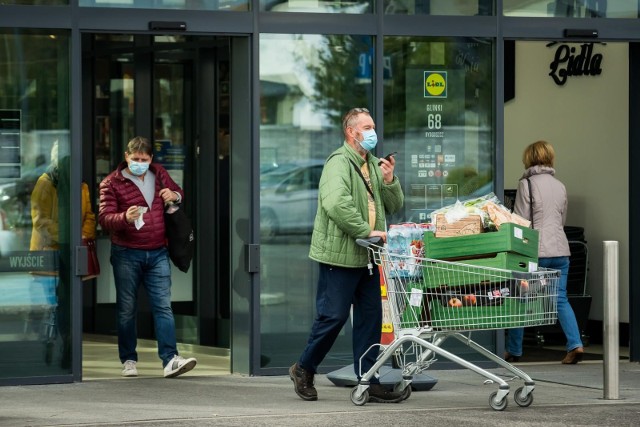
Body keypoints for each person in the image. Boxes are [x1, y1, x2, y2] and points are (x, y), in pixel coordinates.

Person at [289, 108, 404, 403]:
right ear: (351, 132)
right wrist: (367, 230)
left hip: (368, 257)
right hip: (339, 257)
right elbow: (336, 203)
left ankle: (369, 379)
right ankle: (303, 368)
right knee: (333, 317)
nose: (372, 132)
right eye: (366, 127)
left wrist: (390, 180)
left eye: (373, 126)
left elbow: (394, 205)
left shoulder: (373, 165)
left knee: (370, 320)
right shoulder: (338, 163)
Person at [98, 136, 197, 378]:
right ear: (126, 157)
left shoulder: (159, 173)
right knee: (127, 309)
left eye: (144, 159)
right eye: (135, 159)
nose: (139, 163)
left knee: (163, 306)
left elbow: (179, 193)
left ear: (151, 159)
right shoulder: (111, 183)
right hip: (126, 253)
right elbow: (104, 218)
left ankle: (170, 359)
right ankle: (129, 360)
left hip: (157, 252)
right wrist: (124, 218)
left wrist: (174, 196)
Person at [505, 140, 584, 364]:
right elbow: (561, 219)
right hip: (561, 250)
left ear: (528, 158)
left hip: (536, 251)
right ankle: (575, 344)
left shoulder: (526, 184)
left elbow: (520, 221)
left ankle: (514, 349)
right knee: (560, 299)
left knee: (519, 298)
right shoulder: (560, 186)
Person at [30, 140, 97, 367]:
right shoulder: (46, 182)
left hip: (73, 250)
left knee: (68, 302)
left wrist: (80, 236)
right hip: (50, 251)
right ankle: (56, 345)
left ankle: (67, 346)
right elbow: (40, 220)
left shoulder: (81, 185)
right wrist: (68, 234)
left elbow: (89, 216)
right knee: (54, 303)